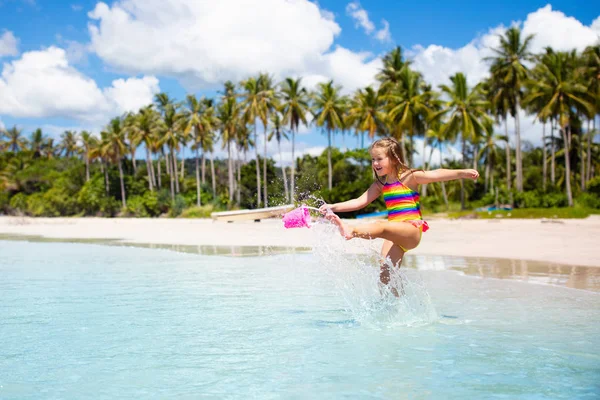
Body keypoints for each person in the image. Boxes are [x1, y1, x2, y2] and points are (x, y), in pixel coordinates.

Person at [319, 137, 479, 293]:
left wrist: (462, 173)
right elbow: (359, 202)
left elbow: (436, 174)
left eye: (379, 159)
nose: (375, 163)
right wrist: (333, 206)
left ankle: (351, 231)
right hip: (393, 235)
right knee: (385, 278)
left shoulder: (410, 177)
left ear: (394, 159)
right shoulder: (380, 184)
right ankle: (399, 309)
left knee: (380, 226)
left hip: (410, 230)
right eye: (373, 159)